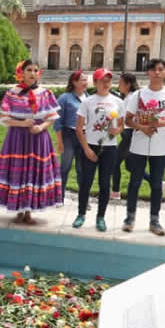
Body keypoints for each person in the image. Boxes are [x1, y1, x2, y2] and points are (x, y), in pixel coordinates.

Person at [0, 59, 60, 223]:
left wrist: (41, 127)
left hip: (38, 138)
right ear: (21, 73)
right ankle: (18, 207)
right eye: (29, 70)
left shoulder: (45, 93)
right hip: (17, 138)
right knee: (18, 171)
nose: (32, 73)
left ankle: (29, 210)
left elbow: (51, 117)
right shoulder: (12, 93)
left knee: (33, 171)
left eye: (35, 70)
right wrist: (22, 124)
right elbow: (4, 119)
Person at [123, 58, 165, 236]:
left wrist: (161, 123)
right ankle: (130, 217)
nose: (157, 72)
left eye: (160, 69)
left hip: (160, 148)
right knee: (134, 182)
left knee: (156, 185)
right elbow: (128, 119)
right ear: (148, 73)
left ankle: (154, 220)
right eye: (153, 69)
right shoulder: (138, 95)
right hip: (138, 145)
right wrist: (142, 127)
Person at [73, 68, 125, 231]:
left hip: (109, 148)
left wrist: (117, 130)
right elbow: (79, 127)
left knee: (104, 184)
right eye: (102, 80)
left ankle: (101, 217)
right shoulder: (87, 102)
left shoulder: (118, 102)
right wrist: (87, 149)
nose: (106, 83)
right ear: (95, 83)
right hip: (91, 146)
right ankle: (81, 214)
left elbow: (121, 125)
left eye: (108, 80)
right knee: (85, 183)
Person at [55, 70, 88, 203]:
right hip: (68, 136)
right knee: (65, 167)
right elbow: (57, 121)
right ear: (74, 82)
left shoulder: (88, 97)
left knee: (82, 169)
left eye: (86, 80)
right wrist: (60, 141)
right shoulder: (65, 98)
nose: (85, 82)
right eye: (82, 80)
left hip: (84, 136)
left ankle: (83, 201)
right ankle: (59, 198)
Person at [110, 72, 139, 200]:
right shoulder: (129, 97)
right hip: (129, 134)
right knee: (130, 166)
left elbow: (125, 118)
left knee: (115, 163)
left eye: (120, 83)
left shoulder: (132, 98)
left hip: (129, 134)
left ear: (128, 84)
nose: (119, 86)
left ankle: (115, 192)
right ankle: (157, 183)